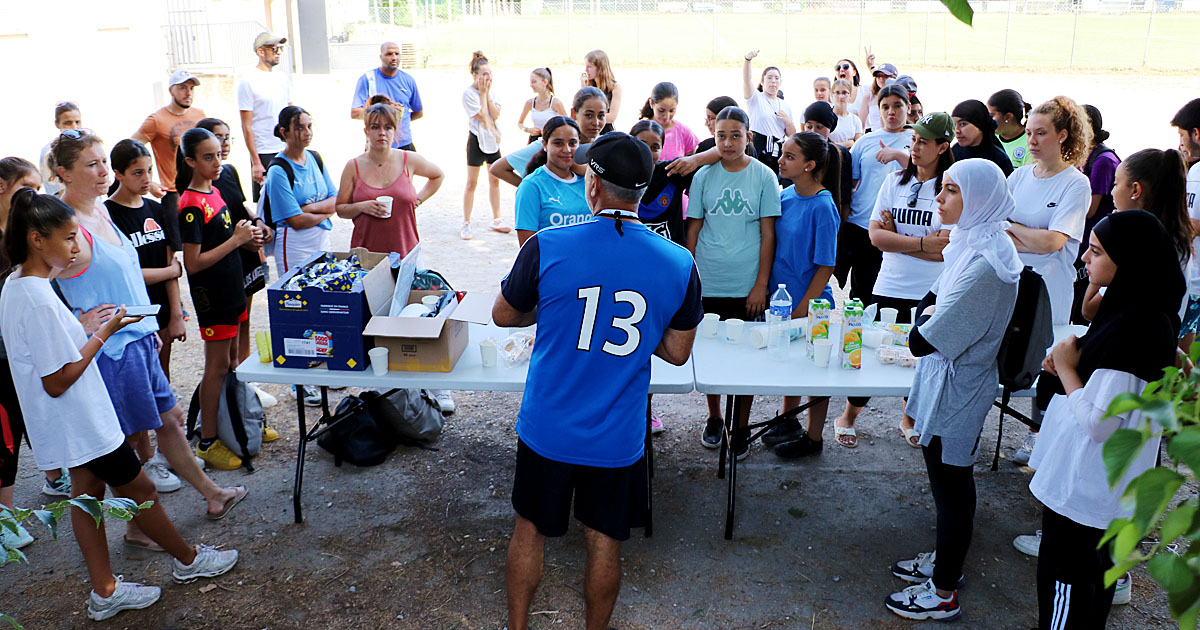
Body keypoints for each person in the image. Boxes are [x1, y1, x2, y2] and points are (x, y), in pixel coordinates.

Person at [495, 131, 701, 630]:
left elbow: (505, 315)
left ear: (592, 186)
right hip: (617, 433)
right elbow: (677, 352)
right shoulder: (678, 261)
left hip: (548, 424)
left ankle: (518, 626)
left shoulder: (548, 245)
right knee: (605, 541)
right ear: (643, 191)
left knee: (530, 529)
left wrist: (556, 312)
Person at [1, 189, 240, 619]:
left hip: (75, 422)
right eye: (69, 238)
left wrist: (82, 327)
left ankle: (105, 591)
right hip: (82, 421)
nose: (77, 247)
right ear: (37, 239)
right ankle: (189, 561)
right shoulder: (35, 297)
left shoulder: (19, 283)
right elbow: (57, 380)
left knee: (88, 496)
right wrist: (102, 332)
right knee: (141, 489)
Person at [52, 131, 249, 541]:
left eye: (104, 161)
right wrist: (77, 321)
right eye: (92, 164)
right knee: (121, 444)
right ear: (63, 174)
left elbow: (126, 277)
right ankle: (138, 529)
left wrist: (149, 327)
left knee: (171, 421)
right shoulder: (65, 225)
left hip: (137, 338)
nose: (103, 171)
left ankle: (212, 494)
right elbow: (31, 283)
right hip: (112, 351)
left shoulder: (100, 213)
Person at [1029, 210, 1184, 629]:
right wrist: (1077, 356)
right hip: (1109, 490)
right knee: (1093, 585)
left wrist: (1067, 368)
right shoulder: (1143, 310)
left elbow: (1100, 423)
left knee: (1066, 584)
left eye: (1095, 252)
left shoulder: (1134, 328)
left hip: (1085, 487)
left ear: (1129, 261)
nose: (1084, 258)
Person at [884, 159, 1022, 622]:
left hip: (957, 389)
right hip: (945, 379)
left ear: (979, 199)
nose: (938, 199)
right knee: (948, 484)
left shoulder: (987, 267)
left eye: (949, 190)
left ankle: (944, 590)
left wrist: (927, 319)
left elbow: (921, 337)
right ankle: (946, 561)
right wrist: (929, 315)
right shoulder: (971, 243)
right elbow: (929, 304)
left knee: (952, 487)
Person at [835, 113, 955, 450]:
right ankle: (847, 417)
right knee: (875, 354)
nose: (915, 147)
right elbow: (875, 237)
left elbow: (946, 249)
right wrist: (922, 243)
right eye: (914, 139)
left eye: (924, 142)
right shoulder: (895, 182)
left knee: (921, 358)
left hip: (931, 290)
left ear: (943, 147)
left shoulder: (949, 189)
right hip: (889, 285)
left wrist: (898, 237)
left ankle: (910, 418)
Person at [687, 106, 781, 459]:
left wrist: (761, 285)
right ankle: (715, 417)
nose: (727, 143)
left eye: (735, 135)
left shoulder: (763, 176)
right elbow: (694, 228)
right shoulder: (704, 176)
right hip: (709, 279)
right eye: (721, 136)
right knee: (711, 353)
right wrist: (690, 276)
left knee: (744, 359)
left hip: (745, 284)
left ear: (749, 137)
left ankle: (740, 426)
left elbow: (768, 234)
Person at [1006, 96, 1092, 465]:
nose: (1032, 141)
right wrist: (1029, 235)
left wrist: (1015, 230)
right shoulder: (1019, 175)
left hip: (1050, 289)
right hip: (1011, 280)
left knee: (1047, 360)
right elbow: (997, 226)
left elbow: (1054, 242)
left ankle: (1038, 436)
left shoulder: (1076, 185)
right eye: (1029, 133)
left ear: (1063, 135)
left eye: (1041, 134)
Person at [175, 127, 264, 471]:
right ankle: (208, 440)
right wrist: (235, 241)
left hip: (233, 289)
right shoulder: (190, 204)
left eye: (218, 154)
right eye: (207, 157)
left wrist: (247, 241)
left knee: (231, 363)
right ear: (190, 161)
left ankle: (235, 423)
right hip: (213, 297)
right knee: (215, 368)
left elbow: (226, 238)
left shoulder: (214, 191)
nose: (216, 162)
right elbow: (194, 263)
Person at [760, 132, 841, 459]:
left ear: (809, 165)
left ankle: (814, 437)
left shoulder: (823, 206)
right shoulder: (785, 196)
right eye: (783, 153)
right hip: (781, 299)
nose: (781, 160)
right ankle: (788, 420)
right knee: (787, 364)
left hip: (810, 304)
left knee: (814, 370)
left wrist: (803, 305)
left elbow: (826, 265)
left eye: (790, 156)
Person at [0, 159, 66, 551]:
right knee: (5, 438)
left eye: (39, 188)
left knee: (32, 417)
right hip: (2, 356)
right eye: (26, 187)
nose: (34, 196)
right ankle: (4, 520)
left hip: (21, 352)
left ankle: (54, 476)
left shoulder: (24, 234)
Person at [195, 117, 279, 411]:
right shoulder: (197, 188)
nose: (224, 145)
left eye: (226, 139)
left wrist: (258, 224)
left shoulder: (228, 172)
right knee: (228, 330)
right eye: (217, 140)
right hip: (225, 258)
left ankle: (244, 383)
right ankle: (231, 387)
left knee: (244, 319)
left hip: (245, 254)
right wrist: (240, 239)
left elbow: (241, 205)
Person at [104, 140, 186, 380]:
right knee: (140, 380)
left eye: (149, 170)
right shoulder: (108, 215)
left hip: (161, 306)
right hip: (132, 311)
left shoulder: (156, 208)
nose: (147, 178)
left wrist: (176, 314)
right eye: (137, 173)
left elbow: (169, 261)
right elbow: (126, 273)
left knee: (163, 376)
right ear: (118, 173)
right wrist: (170, 272)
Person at [336, 102, 444, 259]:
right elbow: (340, 209)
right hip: (366, 258)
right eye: (375, 127)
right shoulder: (353, 166)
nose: (382, 133)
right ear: (366, 131)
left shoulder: (409, 159)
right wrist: (362, 207)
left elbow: (438, 175)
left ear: (395, 131)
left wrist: (418, 200)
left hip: (406, 253)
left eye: (388, 127)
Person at [836, 83, 912, 305]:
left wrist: (898, 155)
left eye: (897, 106)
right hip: (864, 223)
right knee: (862, 290)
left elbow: (927, 174)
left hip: (901, 225)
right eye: (885, 106)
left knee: (892, 290)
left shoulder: (916, 139)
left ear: (908, 107)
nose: (891, 112)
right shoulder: (866, 141)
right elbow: (851, 184)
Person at [132, 69, 206, 250]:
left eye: (191, 88)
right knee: (179, 249)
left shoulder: (200, 115)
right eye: (182, 88)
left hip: (201, 188)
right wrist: (149, 183)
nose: (188, 93)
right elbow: (131, 148)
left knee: (207, 242)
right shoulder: (157, 120)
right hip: (173, 193)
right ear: (171, 90)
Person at [263, 106, 337, 279]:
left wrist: (307, 208)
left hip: (321, 240)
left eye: (309, 126)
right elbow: (296, 221)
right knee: (297, 298)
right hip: (295, 246)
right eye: (299, 128)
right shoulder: (278, 170)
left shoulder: (315, 158)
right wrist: (325, 214)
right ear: (284, 132)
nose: (307, 132)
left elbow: (336, 200)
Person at [491, 87, 608, 187]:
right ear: (574, 113)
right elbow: (498, 168)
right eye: (589, 115)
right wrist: (533, 190)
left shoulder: (604, 145)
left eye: (601, 116)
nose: (596, 122)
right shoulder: (551, 144)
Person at [1072, 104, 1120, 325]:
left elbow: (1090, 208)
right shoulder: (1082, 155)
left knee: (1081, 308)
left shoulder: (1103, 160)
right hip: (1080, 239)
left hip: (1093, 241)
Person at [514, 117, 588, 246]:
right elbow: (528, 247)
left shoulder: (588, 181)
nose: (567, 150)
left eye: (572, 143)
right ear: (544, 144)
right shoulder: (531, 186)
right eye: (558, 143)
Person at [237, 31, 291, 203]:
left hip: (285, 148)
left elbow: (290, 113)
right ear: (261, 52)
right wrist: (256, 162)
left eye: (280, 48)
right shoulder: (248, 81)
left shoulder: (282, 78)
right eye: (274, 48)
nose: (278, 52)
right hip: (264, 150)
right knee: (269, 202)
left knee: (290, 197)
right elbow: (246, 125)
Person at [460, 51, 506, 240]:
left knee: (494, 178)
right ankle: (466, 222)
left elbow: (494, 115)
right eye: (484, 74)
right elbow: (483, 118)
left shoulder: (492, 92)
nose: (488, 78)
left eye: (490, 74)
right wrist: (482, 95)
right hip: (477, 140)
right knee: (472, 182)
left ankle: (497, 218)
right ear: (475, 75)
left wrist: (486, 95)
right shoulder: (468, 94)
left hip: (492, 141)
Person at [351, 42, 424, 151]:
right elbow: (355, 113)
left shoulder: (408, 80)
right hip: (377, 145)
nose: (394, 57)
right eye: (389, 54)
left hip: (405, 144)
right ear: (381, 57)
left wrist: (398, 120)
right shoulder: (368, 79)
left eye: (397, 54)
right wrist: (385, 112)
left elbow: (419, 112)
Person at [742, 50, 794, 176]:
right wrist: (747, 60)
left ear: (780, 82)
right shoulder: (756, 98)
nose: (773, 81)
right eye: (769, 78)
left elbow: (792, 134)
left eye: (776, 78)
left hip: (778, 151)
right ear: (762, 81)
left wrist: (787, 121)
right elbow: (746, 81)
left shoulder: (785, 106)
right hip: (759, 148)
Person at [1174, 98, 1200, 350]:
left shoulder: (1198, 172)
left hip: (1194, 283)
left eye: (1182, 135)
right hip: (1193, 282)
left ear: (1196, 133)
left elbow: (1194, 224)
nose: (1180, 142)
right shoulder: (1194, 170)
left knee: (1180, 358)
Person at [799, 101, 854, 222]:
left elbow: (845, 198)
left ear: (830, 129)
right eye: (809, 126)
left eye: (819, 127)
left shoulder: (840, 154)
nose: (813, 131)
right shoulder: (797, 151)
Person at [951, 100, 1013, 176]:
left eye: (963, 124)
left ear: (979, 125)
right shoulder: (955, 151)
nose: (957, 131)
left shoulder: (999, 159)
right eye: (954, 125)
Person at [640, 81, 698, 163]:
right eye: (661, 110)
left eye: (671, 111)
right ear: (652, 103)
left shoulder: (685, 132)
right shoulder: (641, 131)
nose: (666, 116)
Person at [39, 101, 83, 197]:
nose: (74, 127)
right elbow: (56, 189)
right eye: (68, 123)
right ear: (57, 124)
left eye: (77, 122)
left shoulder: (88, 146)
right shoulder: (49, 152)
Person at [516, 67, 566, 144]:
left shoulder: (556, 103)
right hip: (534, 140)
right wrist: (528, 130)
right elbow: (520, 123)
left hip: (550, 141)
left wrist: (551, 130)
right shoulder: (529, 103)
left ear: (545, 82)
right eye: (531, 82)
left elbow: (567, 123)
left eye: (534, 82)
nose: (531, 85)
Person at [988, 89, 1034, 170]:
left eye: (991, 116)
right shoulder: (989, 138)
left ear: (1008, 117)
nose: (988, 120)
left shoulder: (1031, 142)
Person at [581, 50, 622, 133]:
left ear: (600, 67)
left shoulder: (615, 87)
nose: (586, 70)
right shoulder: (589, 85)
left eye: (590, 67)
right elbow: (581, 110)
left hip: (605, 131)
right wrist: (583, 88)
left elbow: (612, 117)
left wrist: (590, 118)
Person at [860, 62, 898, 132]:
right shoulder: (869, 96)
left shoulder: (899, 97)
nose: (881, 78)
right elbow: (861, 125)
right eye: (878, 76)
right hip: (875, 136)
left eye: (885, 76)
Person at [829, 79, 864, 147]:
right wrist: (848, 144)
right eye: (837, 93)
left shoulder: (855, 120)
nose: (841, 96)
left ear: (850, 95)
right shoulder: (827, 118)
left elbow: (858, 145)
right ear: (832, 94)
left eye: (844, 93)